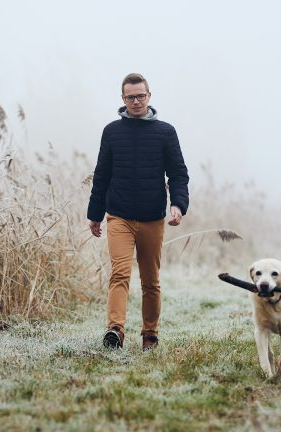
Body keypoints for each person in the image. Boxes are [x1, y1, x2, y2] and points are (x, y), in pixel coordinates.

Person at [87, 73, 190, 351]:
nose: (136, 101)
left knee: (150, 281)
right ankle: (115, 331)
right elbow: (102, 175)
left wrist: (178, 204)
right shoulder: (112, 132)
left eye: (140, 96)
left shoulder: (165, 132)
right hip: (118, 216)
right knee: (119, 274)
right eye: (130, 97)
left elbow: (178, 174)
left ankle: (150, 335)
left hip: (152, 218)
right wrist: (95, 213)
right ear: (123, 99)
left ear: (149, 96)